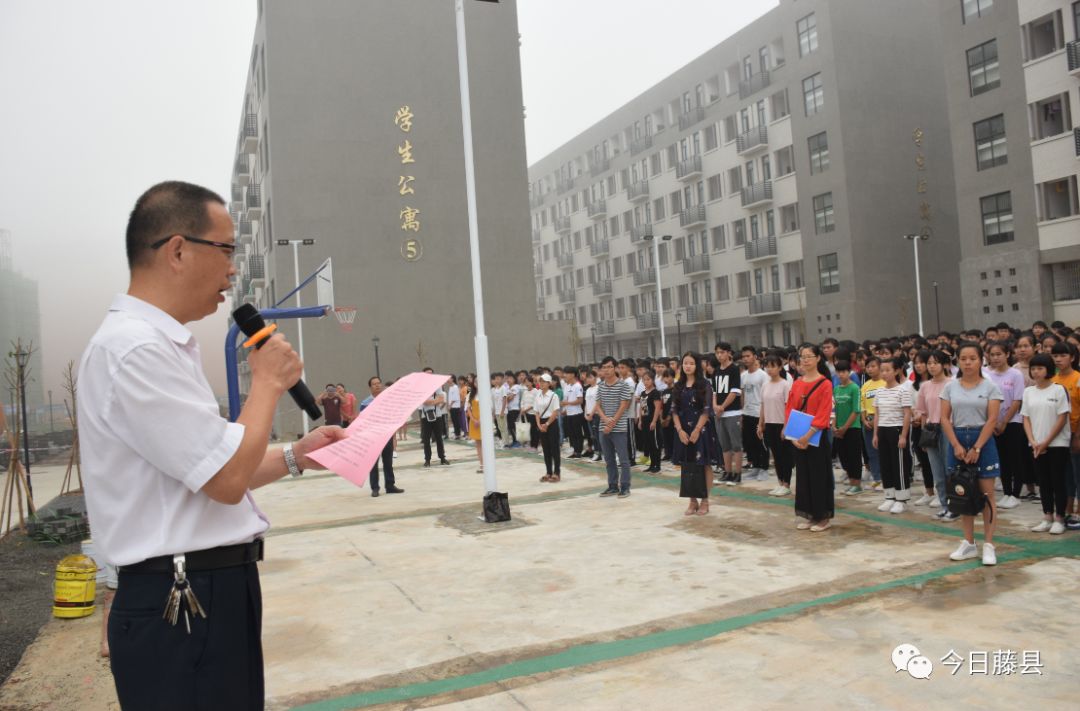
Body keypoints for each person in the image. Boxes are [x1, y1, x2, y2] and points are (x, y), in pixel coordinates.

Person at [78, 181, 347, 709]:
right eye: (225, 250)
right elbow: (225, 480)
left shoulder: (158, 345)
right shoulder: (134, 350)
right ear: (177, 250)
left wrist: (297, 455)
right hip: (182, 599)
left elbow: (216, 466)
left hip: (205, 590)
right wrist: (268, 382)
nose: (232, 269)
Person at [941, 342, 1003, 565]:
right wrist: (956, 445)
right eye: (963, 358)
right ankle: (968, 543)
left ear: (981, 360)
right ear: (958, 361)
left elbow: (993, 419)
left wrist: (977, 447)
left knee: (987, 496)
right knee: (962, 492)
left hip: (983, 440)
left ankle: (988, 544)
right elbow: (944, 418)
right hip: (957, 438)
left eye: (972, 358)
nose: (968, 362)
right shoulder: (950, 387)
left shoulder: (990, 387)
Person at [785, 344, 835, 532]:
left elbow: (823, 413)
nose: (805, 360)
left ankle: (823, 517)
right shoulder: (797, 383)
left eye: (809, 356)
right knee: (804, 476)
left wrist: (808, 436)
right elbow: (790, 409)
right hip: (798, 437)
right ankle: (809, 514)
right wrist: (793, 437)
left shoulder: (825, 384)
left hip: (817, 437)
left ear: (818, 359)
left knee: (819, 476)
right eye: (802, 357)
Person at [1022, 353, 1071, 534]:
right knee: (1043, 481)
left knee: (1057, 480)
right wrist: (1033, 441)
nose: (1036, 372)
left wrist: (1046, 442)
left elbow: (1061, 418)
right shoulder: (1028, 392)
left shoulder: (1058, 390)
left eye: (1040, 368)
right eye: (1033, 368)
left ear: (1048, 369)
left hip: (1057, 443)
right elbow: (1025, 418)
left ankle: (1060, 517)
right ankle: (1047, 516)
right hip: (1035, 444)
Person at [915, 350, 956, 521]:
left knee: (950, 470)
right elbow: (923, 412)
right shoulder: (925, 386)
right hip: (931, 429)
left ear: (945, 364)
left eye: (935, 362)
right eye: (929, 363)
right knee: (937, 472)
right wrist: (924, 435)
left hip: (949, 429)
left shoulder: (953, 384)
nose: (931, 366)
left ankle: (955, 506)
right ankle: (944, 505)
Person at [986, 341, 1026, 509]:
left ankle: (1016, 494)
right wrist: (994, 422)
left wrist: (1004, 422)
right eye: (992, 355)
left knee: (1015, 458)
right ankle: (1007, 492)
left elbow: (1017, 400)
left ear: (1007, 355)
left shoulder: (1015, 375)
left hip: (1013, 422)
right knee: (1002, 460)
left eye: (999, 354)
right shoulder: (987, 375)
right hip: (994, 424)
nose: (995, 358)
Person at [672, 352, 714, 515]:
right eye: (685, 363)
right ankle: (692, 501)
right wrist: (680, 430)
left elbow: (706, 409)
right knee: (686, 464)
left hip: (701, 429)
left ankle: (705, 500)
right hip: (683, 430)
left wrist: (697, 430)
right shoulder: (678, 385)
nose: (687, 366)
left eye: (691, 363)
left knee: (704, 465)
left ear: (697, 366)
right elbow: (674, 410)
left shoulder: (704, 385)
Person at [873, 357, 913, 514]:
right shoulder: (880, 391)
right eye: (882, 370)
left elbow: (907, 414)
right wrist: (875, 434)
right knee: (885, 464)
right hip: (882, 429)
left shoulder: (903, 390)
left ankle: (901, 499)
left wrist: (903, 436)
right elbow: (877, 413)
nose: (884, 373)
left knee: (899, 465)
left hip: (896, 430)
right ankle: (889, 496)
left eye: (888, 370)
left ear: (896, 371)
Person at [1050, 342, 1080, 529]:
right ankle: (1068, 510)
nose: (1059, 359)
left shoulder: (1078, 379)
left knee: (1078, 474)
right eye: (1055, 356)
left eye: (1063, 355)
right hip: (1059, 434)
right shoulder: (1053, 380)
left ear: (1073, 358)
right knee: (1065, 474)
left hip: (1075, 431)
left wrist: (1078, 436)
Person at [597, 356, 634, 498]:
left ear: (615, 368)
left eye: (609, 367)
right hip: (603, 427)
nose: (606, 370)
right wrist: (605, 420)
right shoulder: (600, 386)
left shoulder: (623, 385)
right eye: (604, 367)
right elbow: (598, 405)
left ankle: (625, 486)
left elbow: (624, 405)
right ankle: (612, 486)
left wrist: (611, 423)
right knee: (609, 459)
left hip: (619, 428)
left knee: (623, 459)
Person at [360, 377, 403, 497]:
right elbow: (363, 421)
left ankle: (390, 485)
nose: (377, 386)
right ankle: (375, 488)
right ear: (370, 387)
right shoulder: (365, 403)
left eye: (379, 383)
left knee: (388, 462)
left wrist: (393, 435)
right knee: (373, 464)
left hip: (386, 435)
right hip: (372, 437)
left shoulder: (388, 400)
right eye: (374, 384)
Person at [758, 355, 793, 497]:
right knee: (776, 455)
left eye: (773, 366)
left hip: (781, 424)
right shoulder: (765, 385)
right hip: (769, 424)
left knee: (785, 455)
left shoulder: (785, 384)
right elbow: (763, 405)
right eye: (767, 366)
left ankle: (787, 484)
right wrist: (760, 424)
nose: (769, 369)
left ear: (779, 367)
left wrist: (786, 427)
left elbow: (788, 407)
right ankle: (780, 483)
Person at [712, 342, 743, 485]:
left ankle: (738, 474)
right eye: (717, 352)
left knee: (736, 445)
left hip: (732, 412)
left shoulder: (734, 369)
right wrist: (715, 406)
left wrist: (722, 406)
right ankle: (727, 472)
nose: (719, 355)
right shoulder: (717, 370)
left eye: (722, 352)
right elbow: (714, 392)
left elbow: (735, 392)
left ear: (729, 353)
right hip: (719, 413)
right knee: (724, 445)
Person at [833, 360, 863, 496]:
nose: (841, 374)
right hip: (839, 429)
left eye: (844, 371)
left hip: (852, 428)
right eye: (838, 372)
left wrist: (845, 427)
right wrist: (834, 426)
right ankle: (851, 482)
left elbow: (856, 411)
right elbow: (833, 409)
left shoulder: (855, 388)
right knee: (844, 457)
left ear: (849, 372)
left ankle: (856, 484)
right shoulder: (836, 389)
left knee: (854, 457)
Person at [740, 345, 770, 480]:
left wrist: (763, 418)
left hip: (759, 414)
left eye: (748, 356)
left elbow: (766, 397)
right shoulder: (743, 376)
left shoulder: (763, 375)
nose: (745, 359)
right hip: (747, 413)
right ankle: (756, 467)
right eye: (744, 356)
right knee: (750, 442)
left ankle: (764, 468)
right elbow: (742, 395)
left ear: (755, 357)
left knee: (760, 442)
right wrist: (741, 412)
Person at [859, 356, 886, 489]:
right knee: (871, 452)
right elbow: (862, 405)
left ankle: (886, 478)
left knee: (884, 451)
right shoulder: (865, 385)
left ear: (880, 367)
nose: (870, 369)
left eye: (873, 366)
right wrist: (864, 420)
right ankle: (877, 478)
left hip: (883, 420)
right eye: (868, 366)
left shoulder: (885, 383)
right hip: (868, 422)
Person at [419, 367, 450, 467]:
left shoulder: (437, 385)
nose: (430, 375)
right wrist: (434, 400)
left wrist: (431, 401)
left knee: (439, 438)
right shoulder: (421, 387)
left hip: (437, 415)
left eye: (431, 373)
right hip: (425, 416)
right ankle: (427, 460)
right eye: (427, 373)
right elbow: (422, 401)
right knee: (426, 439)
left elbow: (441, 398)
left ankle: (442, 458)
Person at [639, 370, 663, 473]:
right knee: (648, 443)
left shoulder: (655, 393)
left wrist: (654, 421)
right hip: (644, 420)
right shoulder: (643, 393)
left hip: (652, 421)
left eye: (648, 379)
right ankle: (652, 464)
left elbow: (657, 408)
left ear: (652, 380)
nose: (646, 382)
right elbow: (641, 407)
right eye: (644, 380)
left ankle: (657, 465)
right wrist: (640, 420)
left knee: (655, 443)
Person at [562, 367, 586, 458]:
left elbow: (580, 401)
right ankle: (574, 450)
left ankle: (578, 451)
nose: (565, 375)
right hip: (569, 413)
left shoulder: (577, 386)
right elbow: (566, 399)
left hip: (577, 413)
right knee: (571, 433)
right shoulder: (567, 386)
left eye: (567, 373)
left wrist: (567, 403)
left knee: (577, 433)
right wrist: (564, 409)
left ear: (572, 374)